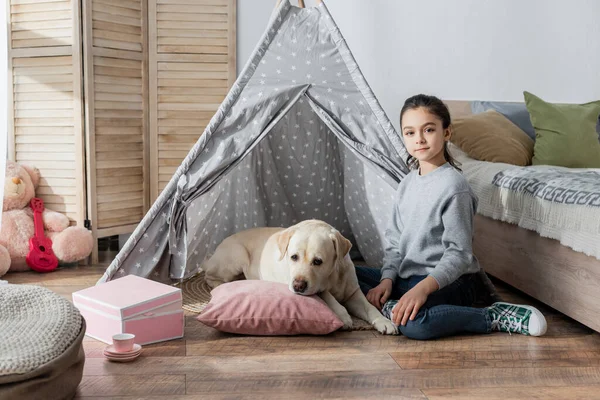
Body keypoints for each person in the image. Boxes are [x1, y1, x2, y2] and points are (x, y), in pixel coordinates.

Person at [355, 94, 547, 340]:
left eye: (428, 130)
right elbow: (395, 243)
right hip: (409, 277)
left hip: (452, 282)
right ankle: (394, 305)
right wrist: (386, 280)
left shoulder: (454, 187)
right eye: (410, 132)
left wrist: (422, 289)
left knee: (417, 325)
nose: (419, 139)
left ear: (446, 133)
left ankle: (491, 316)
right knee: (342, 271)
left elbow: (459, 254)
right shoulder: (406, 184)